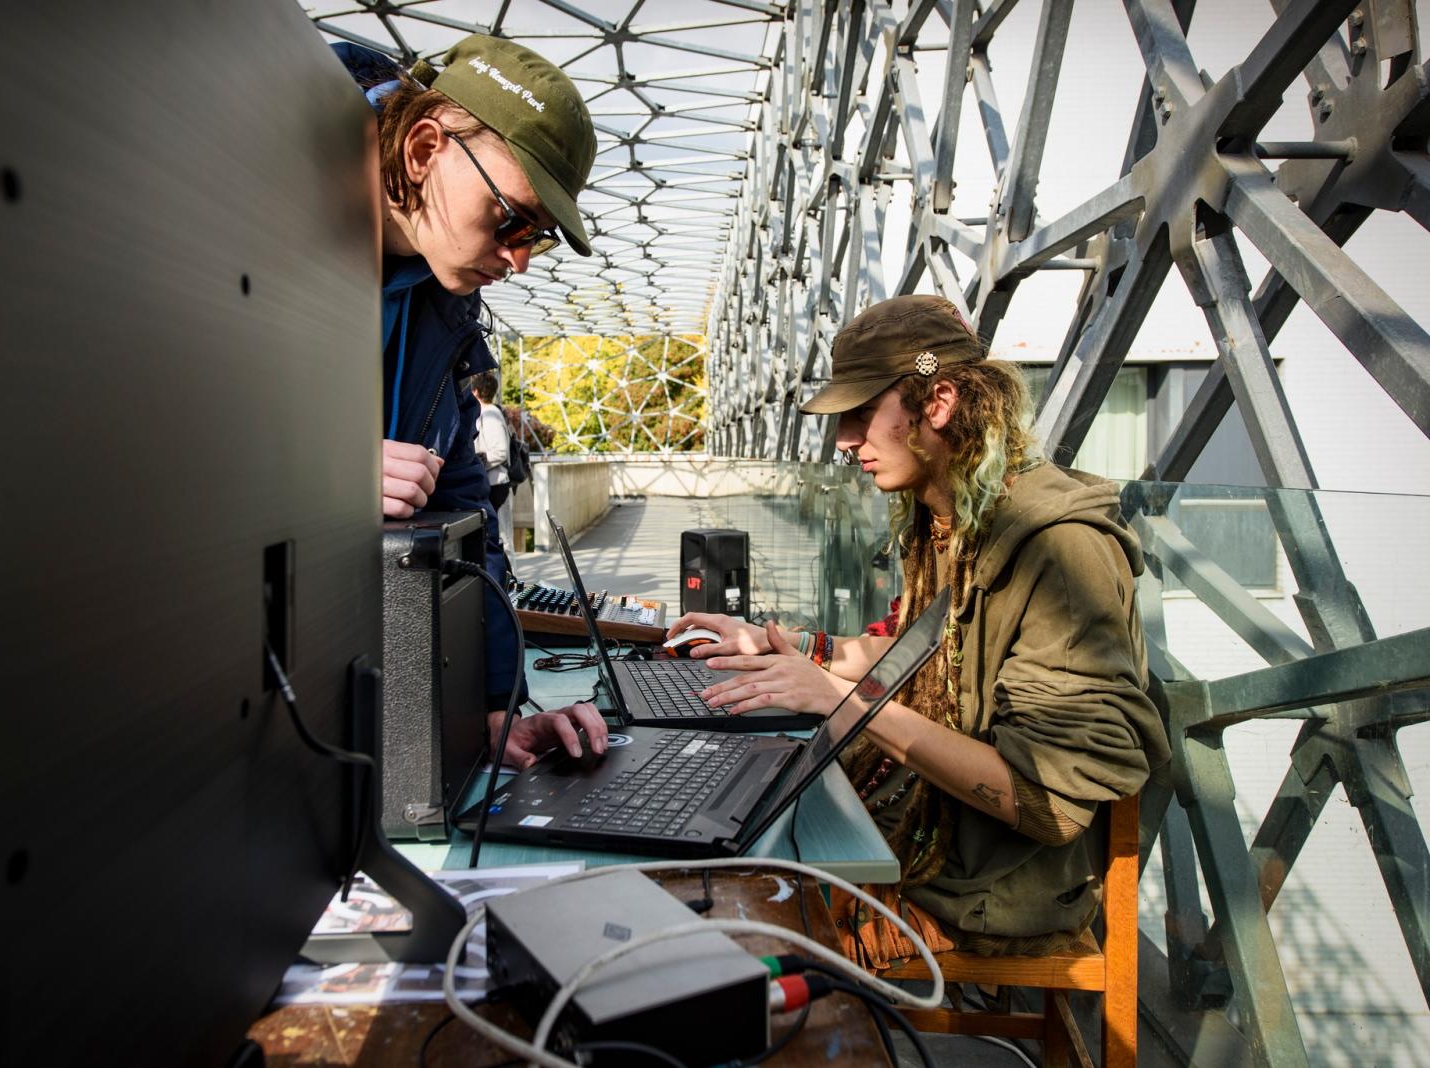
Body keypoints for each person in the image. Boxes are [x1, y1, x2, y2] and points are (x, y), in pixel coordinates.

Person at [666, 294, 1169, 966]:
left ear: (939, 403)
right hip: (921, 830)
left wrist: (838, 698)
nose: (844, 441)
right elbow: (929, 658)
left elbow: (1049, 803)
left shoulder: (1061, 549)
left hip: (984, 887)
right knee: (705, 854)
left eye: (860, 413)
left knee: (727, 931)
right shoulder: (956, 513)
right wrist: (792, 645)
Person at [332, 35, 607, 767]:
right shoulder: (249, 199)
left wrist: (496, 704)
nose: (519, 258)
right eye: (512, 217)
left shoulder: (442, 312)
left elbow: (465, 515)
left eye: (538, 237)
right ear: (425, 149)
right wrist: (324, 480)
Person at [470, 371, 514, 551]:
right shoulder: (489, 413)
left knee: (499, 536)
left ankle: (504, 567)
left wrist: (479, 462)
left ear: (475, 392)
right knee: (496, 536)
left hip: (496, 483)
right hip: (493, 482)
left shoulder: (490, 415)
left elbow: (500, 451)